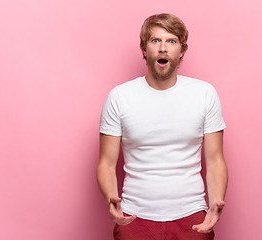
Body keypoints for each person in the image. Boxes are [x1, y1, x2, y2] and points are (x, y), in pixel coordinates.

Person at [97, 13, 228, 240]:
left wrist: (215, 204)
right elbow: (106, 163)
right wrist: (111, 198)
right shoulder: (119, 97)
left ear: (182, 50)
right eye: (155, 40)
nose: (163, 48)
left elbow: (215, 159)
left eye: (171, 41)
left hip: (192, 216)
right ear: (144, 49)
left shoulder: (204, 94)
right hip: (134, 217)